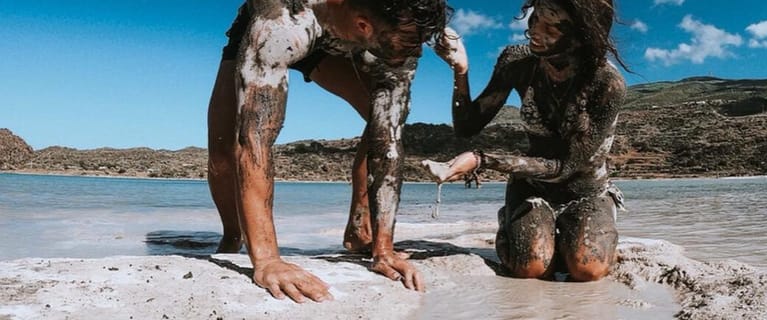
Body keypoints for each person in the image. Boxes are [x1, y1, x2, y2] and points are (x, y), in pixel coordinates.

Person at [206, 0, 449, 302]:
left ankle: (362, 233)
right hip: (288, 24)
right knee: (223, 145)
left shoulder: (401, 32)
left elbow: (388, 136)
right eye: (411, 43)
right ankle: (233, 234)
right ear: (364, 25)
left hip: (340, 35)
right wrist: (268, 261)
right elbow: (253, 138)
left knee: (380, 119)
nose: (417, 51)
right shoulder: (282, 24)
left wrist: (384, 249)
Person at [425, 0, 628, 281]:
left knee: (587, 269)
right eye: (535, 18)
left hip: (586, 190)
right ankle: (515, 223)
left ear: (582, 35)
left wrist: (483, 161)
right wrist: (461, 70)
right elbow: (467, 126)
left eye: (550, 25)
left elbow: (565, 166)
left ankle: (588, 227)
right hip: (533, 187)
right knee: (530, 267)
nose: (534, 30)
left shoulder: (606, 83)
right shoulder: (517, 61)